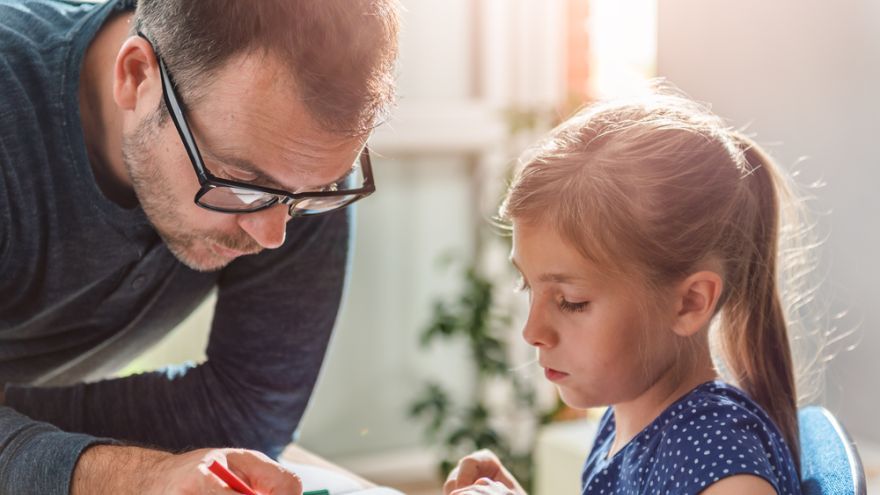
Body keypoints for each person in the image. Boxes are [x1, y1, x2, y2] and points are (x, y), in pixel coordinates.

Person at [0, 0, 398, 493]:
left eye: (318, 189)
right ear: (136, 76)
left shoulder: (296, 177)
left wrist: (19, 430)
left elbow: (250, 407)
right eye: (240, 184)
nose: (273, 236)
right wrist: (127, 475)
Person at [443, 90, 806, 494]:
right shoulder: (628, 417)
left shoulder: (719, 457)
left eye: (571, 302)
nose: (533, 331)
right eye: (528, 285)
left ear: (689, 303)